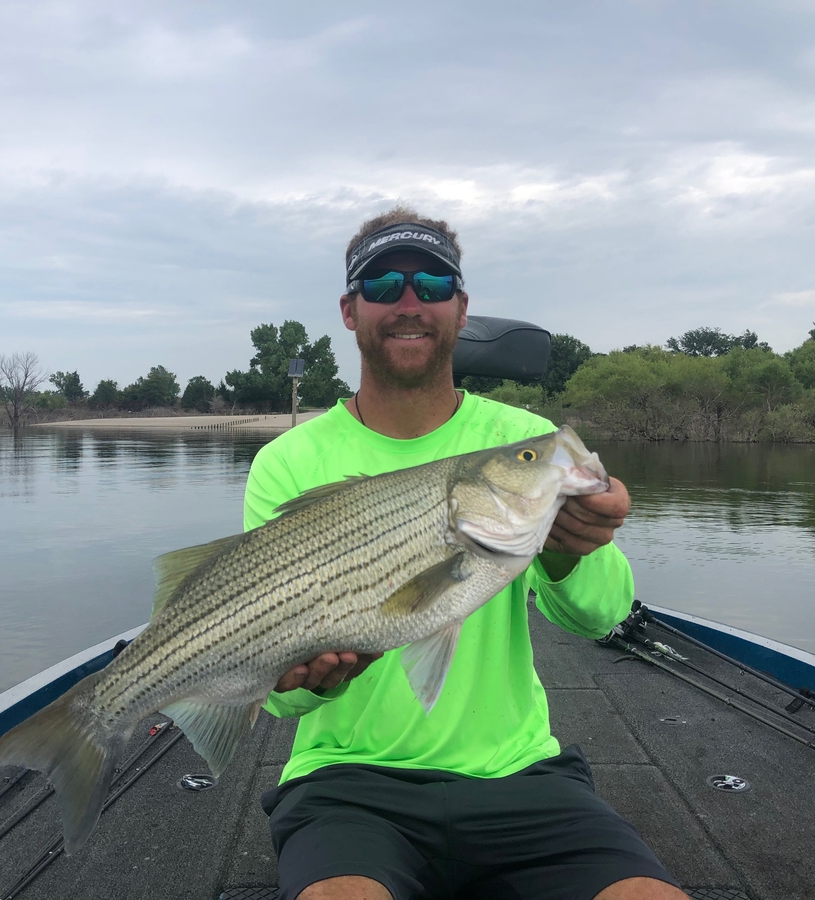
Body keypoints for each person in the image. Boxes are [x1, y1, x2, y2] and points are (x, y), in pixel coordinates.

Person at [243, 206, 687, 900]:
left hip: (521, 774)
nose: (410, 301)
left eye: (434, 282)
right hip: (346, 782)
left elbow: (603, 618)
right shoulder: (287, 462)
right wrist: (302, 683)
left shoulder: (525, 435)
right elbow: (279, 704)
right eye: (383, 284)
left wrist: (569, 552)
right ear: (350, 311)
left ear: (461, 306)